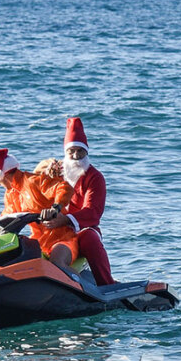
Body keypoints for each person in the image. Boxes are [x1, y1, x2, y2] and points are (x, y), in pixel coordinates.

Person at [0, 148, 79, 273]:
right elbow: (6, 224)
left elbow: (64, 188)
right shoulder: (10, 195)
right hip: (38, 243)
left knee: (57, 263)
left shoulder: (33, 181)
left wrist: (55, 208)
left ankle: (83, 288)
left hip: (63, 239)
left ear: (3, 175)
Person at [42, 118, 115, 285]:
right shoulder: (55, 172)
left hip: (81, 229)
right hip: (54, 232)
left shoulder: (95, 177)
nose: (75, 156)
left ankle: (107, 284)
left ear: (87, 152)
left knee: (89, 237)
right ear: (65, 153)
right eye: (71, 151)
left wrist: (66, 220)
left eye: (80, 151)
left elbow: (93, 212)